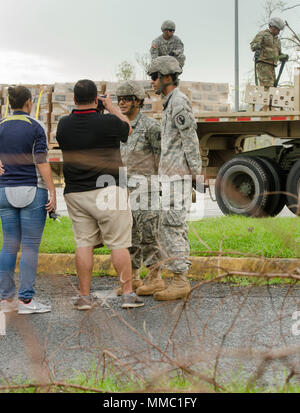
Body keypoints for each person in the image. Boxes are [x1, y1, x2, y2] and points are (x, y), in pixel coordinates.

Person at [56, 79, 144, 310]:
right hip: (108, 189)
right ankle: (127, 295)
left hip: (76, 193)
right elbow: (128, 128)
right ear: (97, 99)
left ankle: (84, 297)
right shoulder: (108, 122)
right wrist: (111, 108)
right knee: (118, 244)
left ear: (74, 99)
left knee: (83, 244)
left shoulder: (63, 125)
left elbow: (76, 124)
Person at [147, 56, 202, 301]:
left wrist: (196, 174)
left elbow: (190, 141)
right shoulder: (170, 103)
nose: (152, 82)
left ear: (167, 77)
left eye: (155, 77)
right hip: (171, 176)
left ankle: (180, 281)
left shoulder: (179, 103)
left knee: (171, 226)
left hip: (177, 177)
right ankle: (179, 278)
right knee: (174, 227)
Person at [0, 86, 56, 314]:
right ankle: (25, 301)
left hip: (3, 191)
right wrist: (52, 190)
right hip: (32, 191)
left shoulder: (1, 125)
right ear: (29, 103)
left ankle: (5, 300)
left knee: (9, 246)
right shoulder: (36, 126)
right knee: (30, 247)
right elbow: (42, 161)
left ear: (9, 103)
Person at [115, 81, 164, 297]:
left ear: (138, 101)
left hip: (147, 189)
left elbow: (162, 158)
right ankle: (133, 277)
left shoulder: (151, 127)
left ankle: (155, 277)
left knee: (149, 234)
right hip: (124, 189)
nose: (122, 102)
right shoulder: (118, 127)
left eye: (126, 98)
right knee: (129, 235)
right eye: (119, 99)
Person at [250, 17, 288, 89]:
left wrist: (283, 57)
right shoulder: (263, 34)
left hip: (272, 66)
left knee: (273, 87)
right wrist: (256, 46)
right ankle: (267, 100)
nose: (279, 32)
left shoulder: (277, 40)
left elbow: (278, 54)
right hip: (263, 65)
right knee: (267, 87)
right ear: (272, 27)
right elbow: (253, 46)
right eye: (278, 29)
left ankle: (269, 100)